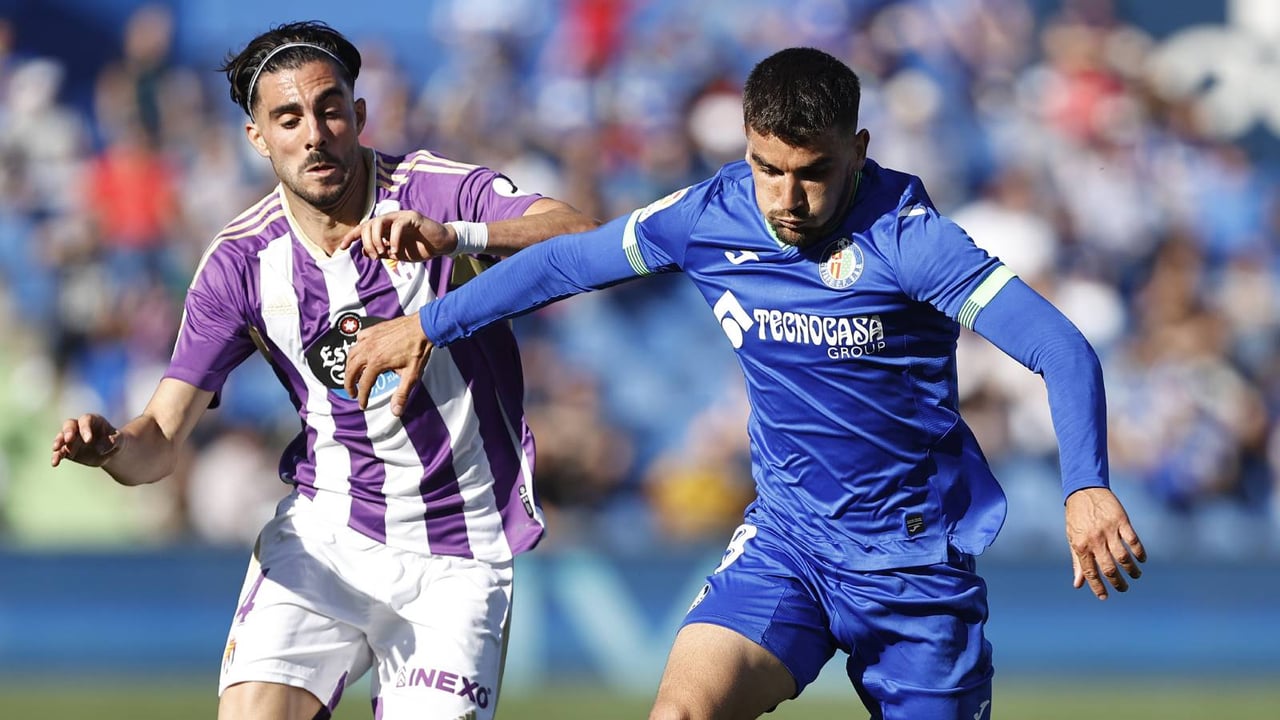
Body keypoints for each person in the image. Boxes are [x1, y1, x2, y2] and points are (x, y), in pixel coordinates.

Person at [342, 47, 1147, 720]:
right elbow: (567, 261)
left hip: (914, 566)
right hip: (789, 546)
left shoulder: (914, 242)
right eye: (768, 169)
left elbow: (1060, 346)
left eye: (813, 173)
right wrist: (430, 320)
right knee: (679, 713)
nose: (787, 200)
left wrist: (1086, 485)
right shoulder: (710, 214)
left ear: (859, 148)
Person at [51, 20, 597, 720]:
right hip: (326, 536)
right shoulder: (240, 263)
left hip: (458, 555)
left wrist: (459, 239)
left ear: (359, 115)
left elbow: (583, 238)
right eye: (288, 119)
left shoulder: (435, 193)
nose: (314, 135)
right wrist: (112, 449)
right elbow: (158, 439)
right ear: (258, 138)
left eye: (329, 109)